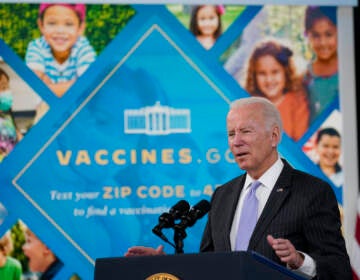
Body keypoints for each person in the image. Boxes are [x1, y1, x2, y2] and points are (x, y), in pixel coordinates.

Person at [125, 97, 352, 279]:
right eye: (231, 134)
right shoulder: (223, 194)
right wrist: (164, 265)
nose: (236, 141)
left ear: (274, 136)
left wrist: (300, 262)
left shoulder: (311, 192)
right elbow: (209, 265)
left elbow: (338, 269)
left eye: (246, 131)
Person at [243, 39, 309, 141]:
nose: (269, 80)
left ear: (286, 72)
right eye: (262, 73)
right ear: (254, 75)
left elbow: (300, 141)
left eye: (275, 72)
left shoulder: (297, 101)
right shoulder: (249, 105)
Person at [25, 3, 96, 98]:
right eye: (52, 23)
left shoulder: (83, 47)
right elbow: (33, 85)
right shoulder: (37, 46)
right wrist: (76, 84)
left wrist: (48, 87)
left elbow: (90, 83)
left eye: (69, 24)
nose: (60, 31)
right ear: (41, 25)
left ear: (80, 28)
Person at [303, 6, 338, 123]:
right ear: (307, 35)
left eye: (329, 34)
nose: (323, 43)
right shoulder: (305, 76)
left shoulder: (348, 70)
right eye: (316, 36)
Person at [0, 67, 22, 162]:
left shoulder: (8, 117)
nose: (8, 91)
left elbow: (19, 138)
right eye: (3, 87)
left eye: (8, 87)